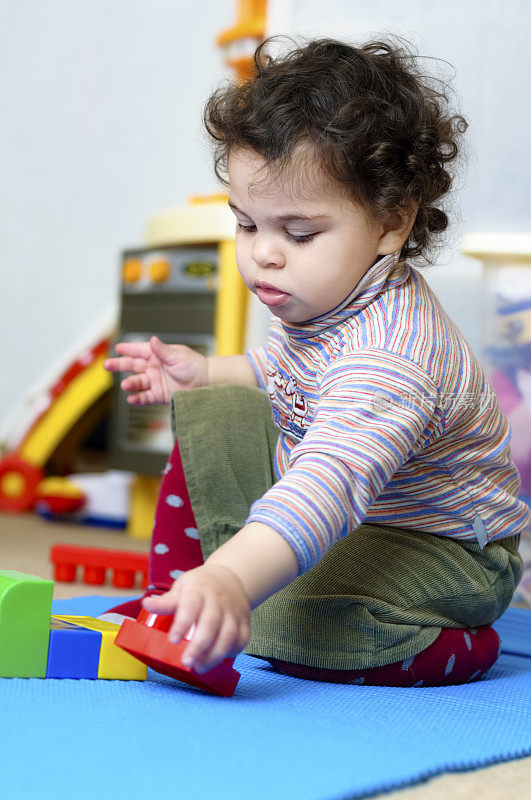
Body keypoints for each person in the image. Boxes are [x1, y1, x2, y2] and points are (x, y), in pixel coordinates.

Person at [102, 37, 528, 687]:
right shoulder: (324, 297)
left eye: (298, 233)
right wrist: (205, 373)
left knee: (281, 619)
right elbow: (284, 374)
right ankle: (183, 596)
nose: (263, 255)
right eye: (247, 225)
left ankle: (455, 645)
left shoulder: (389, 359)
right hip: (346, 517)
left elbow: (325, 485)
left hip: (444, 550)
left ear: (391, 222)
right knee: (211, 409)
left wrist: (239, 581)